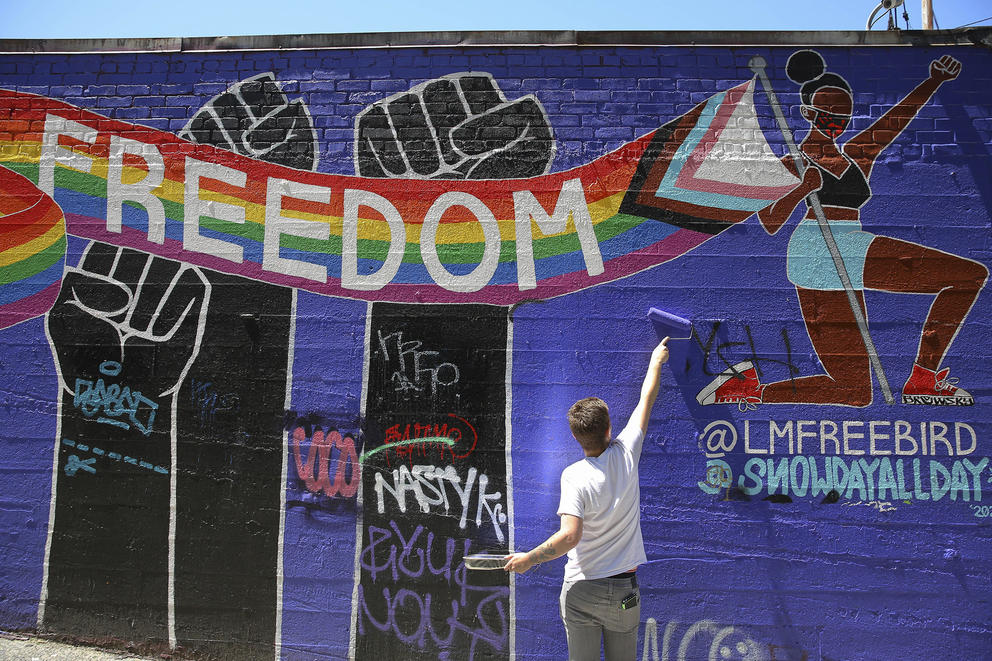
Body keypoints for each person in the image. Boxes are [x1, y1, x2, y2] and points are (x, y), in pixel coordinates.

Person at [697, 50, 987, 409]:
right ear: (807, 113)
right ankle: (747, 389)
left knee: (966, 277)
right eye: (826, 114)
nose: (835, 121)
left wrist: (934, 80)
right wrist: (803, 188)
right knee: (856, 392)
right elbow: (769, 222)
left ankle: (922, 379)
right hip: (816, 251)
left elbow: (894, 121)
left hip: (851, 242)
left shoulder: (856, 154)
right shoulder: (793, 161)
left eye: (842, 115)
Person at [504, 337, 670, 661]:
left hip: (580, 590)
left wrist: (530, 559)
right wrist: (655, 360)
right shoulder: (626, 453)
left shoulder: (573, 476)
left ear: (576, 437)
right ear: (610, 429)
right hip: (623, 590)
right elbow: (646, 399)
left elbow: (570, 536)